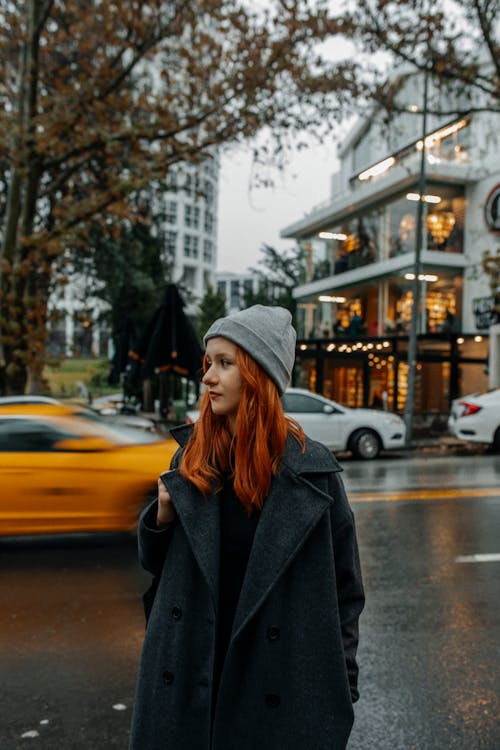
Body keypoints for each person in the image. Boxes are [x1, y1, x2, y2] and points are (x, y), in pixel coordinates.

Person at [129, 305, 365, 750]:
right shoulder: (194, 459)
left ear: (258, 375)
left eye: (224, 364)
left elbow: (346, 593)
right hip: (192, 674)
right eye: (208, 364)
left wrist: (340, 689)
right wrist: (158, 519)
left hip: (275, 683)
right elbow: (156, 567)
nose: (208, 378)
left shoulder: (314, 475)